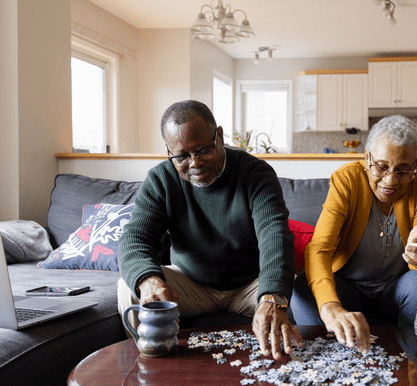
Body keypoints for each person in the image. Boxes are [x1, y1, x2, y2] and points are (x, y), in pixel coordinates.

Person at [117, 100, 301, 359]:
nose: (195, 163)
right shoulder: (160, 179)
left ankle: (285, 370)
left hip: (251, 285)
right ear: (168, 151)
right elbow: (135, 238)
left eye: (204, 150)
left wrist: (271, 297)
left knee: (298, 294)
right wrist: (149, 280)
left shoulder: (255, 173)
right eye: (181, 155)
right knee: (129, 289)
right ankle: (153, 367)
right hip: (191, 284)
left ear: (220, 136)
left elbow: (275, 235)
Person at [291, 115, 417, 354]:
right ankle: (326, 361)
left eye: (403, 170)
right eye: (382, 166)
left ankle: (413, 361)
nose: (390, 180)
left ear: (415, 166)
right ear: (367, 158)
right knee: (303, 286)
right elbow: (319, 248)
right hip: (347, 289)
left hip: (396, 291)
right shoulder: (347, 179)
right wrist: (330, 306)